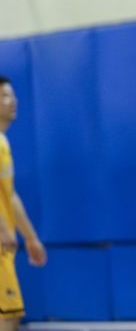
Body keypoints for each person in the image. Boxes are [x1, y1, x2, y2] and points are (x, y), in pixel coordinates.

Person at [0, 76, 47, 331]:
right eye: (5, 95)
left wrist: (30, 237)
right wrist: (2, 229)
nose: (13, 100)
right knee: (8, 317)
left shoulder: (3, 143)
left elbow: (9, 195)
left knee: (10, 316)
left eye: (13, 95)